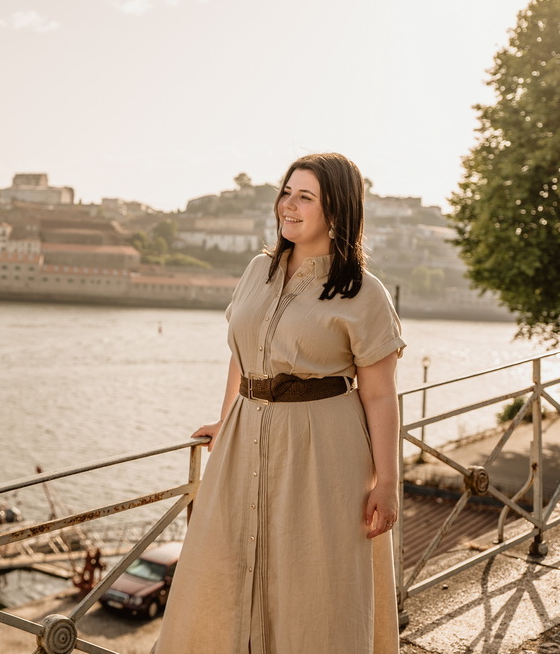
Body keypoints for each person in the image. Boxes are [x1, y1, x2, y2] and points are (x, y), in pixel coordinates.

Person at [154, 152, 405, 654]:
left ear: (336, 210)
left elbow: (379, 394)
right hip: (243, 440)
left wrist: (387, 482)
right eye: (286, 193)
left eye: (304, 197)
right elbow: (241, 356)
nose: (288, 206)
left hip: (323, 452)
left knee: (313, 584)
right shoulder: (258, 270)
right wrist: (226, 420)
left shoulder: (364, 292)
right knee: (221, 570)